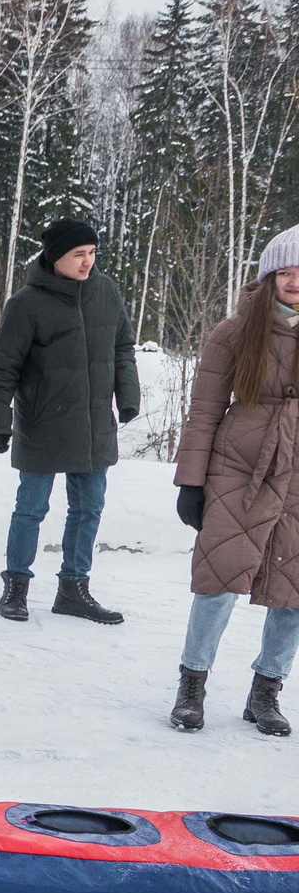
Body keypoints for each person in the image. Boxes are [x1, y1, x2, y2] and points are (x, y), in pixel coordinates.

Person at [167, 228, 299, 736]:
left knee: (292, 591)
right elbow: (204, 411)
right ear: (267, 278)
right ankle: (192, 685)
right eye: (283, 272)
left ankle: (267, 690)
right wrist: (191, 481)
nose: (292, 282)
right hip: (238, 471)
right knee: (218, 582)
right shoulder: (234, 332)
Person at [0, 217, 139, 625]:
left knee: (88, 509)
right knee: (30, 509)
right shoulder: (26, 303)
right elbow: (3, 367)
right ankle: (16, 585)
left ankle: (73, 587)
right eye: (78, 255)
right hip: (42, 421)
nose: (88, 262)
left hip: (93, 424)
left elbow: (122, 346)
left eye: (92, 253)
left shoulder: (105, 291)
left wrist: (128, 396)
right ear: (55, 258)